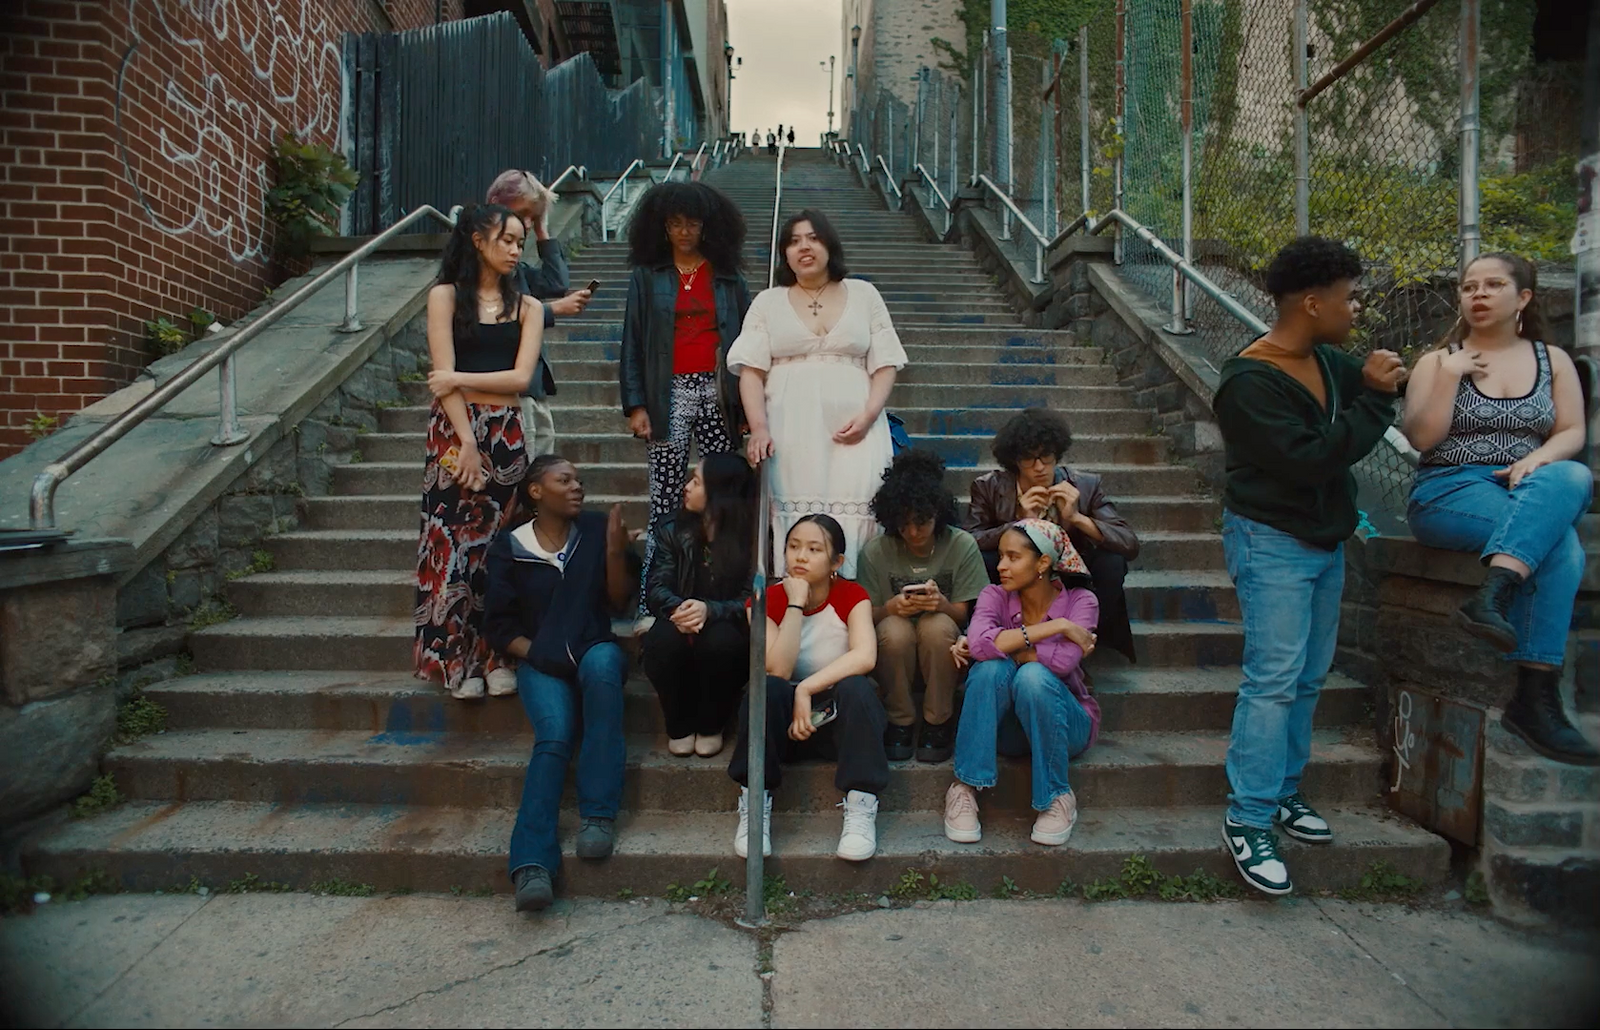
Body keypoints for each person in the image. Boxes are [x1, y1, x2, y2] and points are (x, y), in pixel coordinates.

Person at [1212, 235, 1406, 895]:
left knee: (1307, 678)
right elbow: (1310, 457)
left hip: (1323, 542)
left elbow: (1379, 391)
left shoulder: (1327, 361)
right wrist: (1376, 400)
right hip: (1270, 542)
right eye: (1350, 298)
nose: (1357, 310)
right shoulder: (1245, 382)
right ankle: (1249, 818)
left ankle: (1285, 791)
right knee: (1272, 679)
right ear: (1313, 301)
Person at [1401, 252, 1598, 766]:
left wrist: (1535, 459)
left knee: (1571, 473)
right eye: (1469, 287)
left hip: (1529, 485)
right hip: (1449, 489)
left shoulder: (1551, 360)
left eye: (1493, 285)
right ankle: (1536, 697)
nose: (1479, 295)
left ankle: (1495, 591)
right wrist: (1451, 373)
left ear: (1523, 298)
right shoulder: (1437, 360)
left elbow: (1572, 432)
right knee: (1562, 549)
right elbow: (1422, 436)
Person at [484, 455, 633, 912]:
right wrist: (542, 654)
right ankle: (532, 862)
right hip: (540, 659)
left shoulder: (593, 530)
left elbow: (620, 602)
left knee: (606, 668)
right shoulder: (509, 547)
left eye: (579, 481)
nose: (577, 487)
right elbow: (500, 628)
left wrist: (613, 551)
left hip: (592, 646)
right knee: (553, 735)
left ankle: (598, 816)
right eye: (563, 480)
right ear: (535, 491)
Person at [729, 208, 906, 578]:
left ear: (829, 244)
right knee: (795, 516)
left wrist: (870, 415)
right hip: (789, 430)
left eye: (812, 238)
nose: (803, 247)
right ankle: (796, 608)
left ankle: (855, 608)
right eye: (793, 241)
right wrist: (758, 428)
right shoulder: (767, 302)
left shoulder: (864, 294)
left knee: (859, 508)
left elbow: (885, 363)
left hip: (857, 428)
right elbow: (750, 372)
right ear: (784, 253)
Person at [414, 204, 542, 700]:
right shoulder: (444, 297)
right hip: (453, 429)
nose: (514, 250)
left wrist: (458, 379)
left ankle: (497, 656)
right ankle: (456, 661)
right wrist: (466, 441)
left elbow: (519, 378)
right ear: (476, 239)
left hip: (507, 430)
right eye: (506, 239)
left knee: (498, 547)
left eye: (520, 242)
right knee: (450, 547)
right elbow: (440, 380)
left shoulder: (527, 306)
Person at [619, 181, 752, 616]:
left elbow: (749, 344)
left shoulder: (728, 277)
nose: (683, 232)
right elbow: (633, 344)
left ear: (707, 227)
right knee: (665, 496)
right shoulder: (647, 277)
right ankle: (651, 601)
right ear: (661, 227)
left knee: (721, 494)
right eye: (675, 223)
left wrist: (750, 409)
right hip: (667, 391)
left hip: (719, 391)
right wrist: (636, 405)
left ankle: (719, 594)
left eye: (692, 223)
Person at [728, 514, 887, 862]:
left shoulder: (852, 595)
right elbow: (778, 668)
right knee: (767, 688)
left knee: (857, 688)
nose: (800, 557)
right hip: (784, 727)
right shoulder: (764, 599)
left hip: (833, 723)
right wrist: (795, 604)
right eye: (794, 546)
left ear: (837, 562)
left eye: (814, 549)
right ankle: (755, 802)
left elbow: (865, 656)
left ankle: (861, 804)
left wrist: (807, 690)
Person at [944, 519, 1100, 846]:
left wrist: (1002, 646)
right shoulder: (993, 595)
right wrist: (1054, 627)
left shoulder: (1082, 602)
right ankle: (964, 787)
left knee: (1031, 676)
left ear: (1043, 562)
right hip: (1004, 728)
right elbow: (980, 643)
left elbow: (1061, 663)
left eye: (1013, 557)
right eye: (1000, 556)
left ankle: (1057, 796)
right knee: (989, 671)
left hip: (1065, 724)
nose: (1001, 566)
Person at [966, 407, 1140, 662]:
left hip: (1068, 577)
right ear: (1015, 460)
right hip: (1018, 574)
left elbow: (1129, 542)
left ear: (1057, 454)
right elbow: (969, 540)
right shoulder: (989, 487)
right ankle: (997, 636)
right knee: (985, 559)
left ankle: (1079, 646)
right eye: (1029, 459)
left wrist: (1076, 518)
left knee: (1112, 562)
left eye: (1046, 457)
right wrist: (1020, 523)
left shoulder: (1085, 485)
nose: (1039, 467)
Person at [858, 449, 989, 762]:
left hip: (943, 654)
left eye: (922, 523)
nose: (914, 532)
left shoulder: (960, 544)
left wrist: (941, 604)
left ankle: (937, 721)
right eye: (904, 525)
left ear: (938, 514)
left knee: (937, 626)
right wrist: (890, 607)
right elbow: (864, 616)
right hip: (894, 657)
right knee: (892, 628)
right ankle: (899, 719)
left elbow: (967, 615)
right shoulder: (876, 551)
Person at [642, 452, 758, 758]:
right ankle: (679, 724)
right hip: (679, 620)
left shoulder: (752, 536)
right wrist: (677, 609)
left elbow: (753, 596)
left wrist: (710, 610)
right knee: (662, 642)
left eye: (697, 481)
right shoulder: (672, 528)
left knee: (721, 642)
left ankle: (711, 724)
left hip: (727, 627)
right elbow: (655, 585)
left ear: (720, 492)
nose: (687, 487)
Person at [485, 170, 594, 457]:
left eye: (531, 217)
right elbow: (496, 316)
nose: (527, 224)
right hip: (508, 384)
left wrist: (543, 228)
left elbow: (555, 283)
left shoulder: (514, 265)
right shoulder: (482, 262)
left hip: (533, 385)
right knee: (522, 471)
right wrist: (555, 310)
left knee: (539, 472)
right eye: (523, 214)